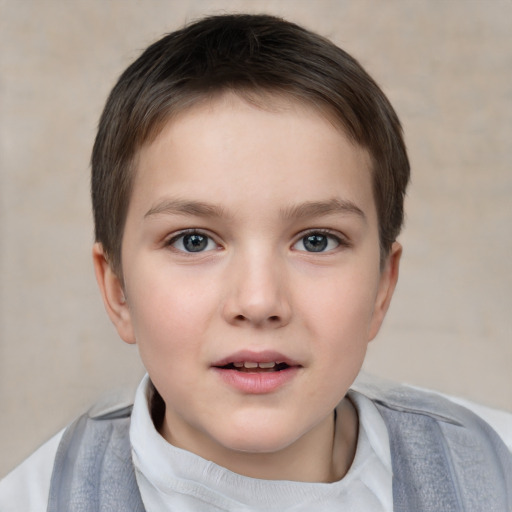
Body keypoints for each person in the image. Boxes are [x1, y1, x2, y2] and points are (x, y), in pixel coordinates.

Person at [1, 13, 511, 512]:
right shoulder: (31, 499)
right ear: (117, 290)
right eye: (194, 241)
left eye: (316, 241)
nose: (259, 300)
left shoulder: (497, 470)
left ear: (382, 284)